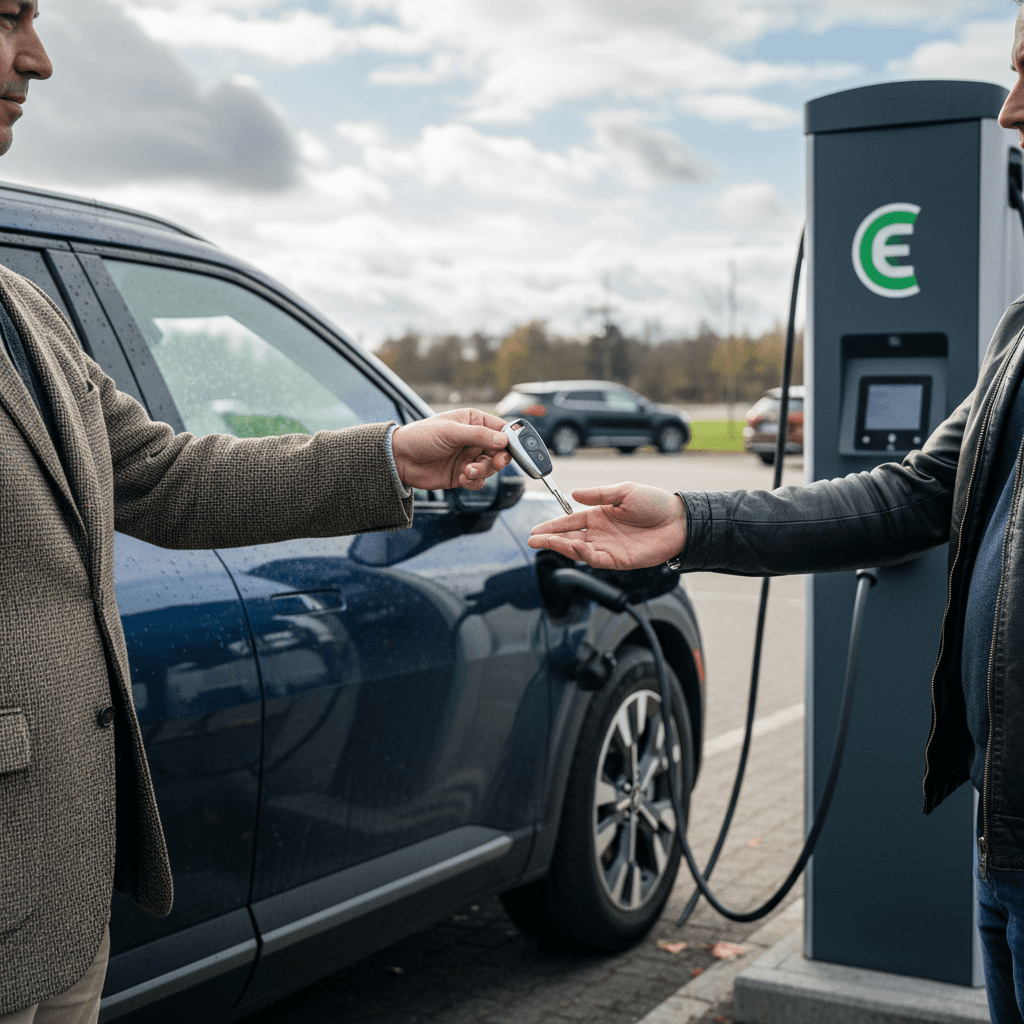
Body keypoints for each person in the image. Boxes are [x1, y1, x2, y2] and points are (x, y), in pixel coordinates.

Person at [0, 4, 512, 1021]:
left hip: (53, 907)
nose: (41, 58)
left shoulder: (24, 305)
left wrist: (389, 453)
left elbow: (163, 473)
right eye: (10, 13)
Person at [529, 8, 1024, 1021]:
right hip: (1003, 835)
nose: (1012, 112)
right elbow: (915, 491)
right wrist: (692, 522)